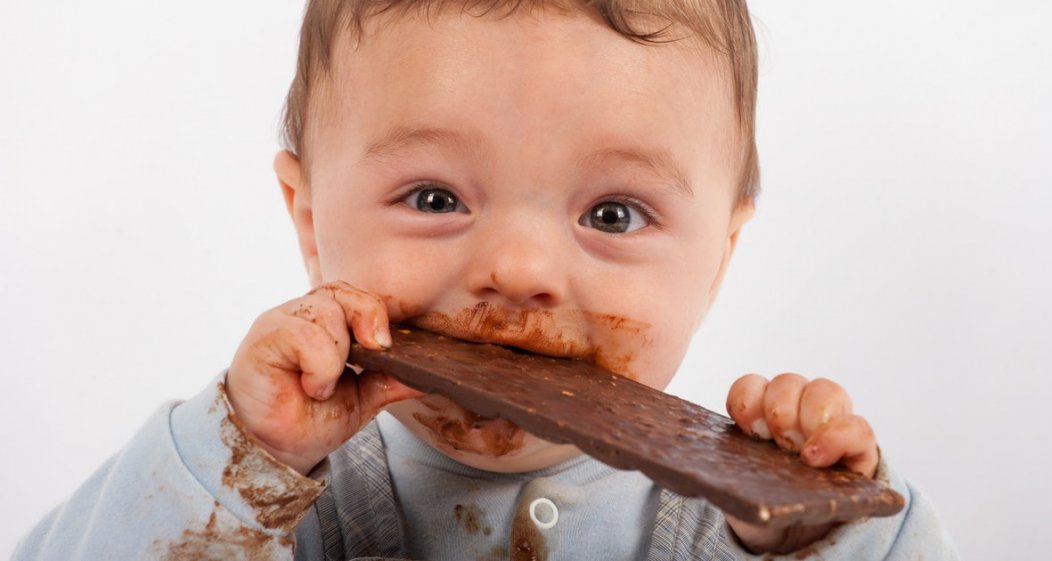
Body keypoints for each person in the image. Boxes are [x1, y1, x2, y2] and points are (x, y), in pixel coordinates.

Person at [14, 1, 957, 559]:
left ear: (717, 258)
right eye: (432, 196)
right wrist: (231, 457)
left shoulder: (744, 519)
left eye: (613, 214)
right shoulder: (274, 493)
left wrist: (824, 529)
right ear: (309, 219)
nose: (519, 268)